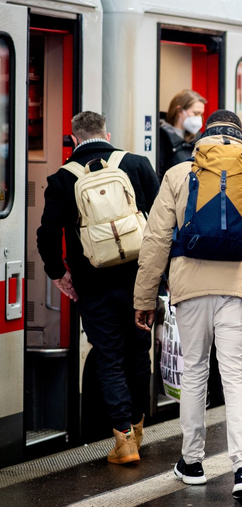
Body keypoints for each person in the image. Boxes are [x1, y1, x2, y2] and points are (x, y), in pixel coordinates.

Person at [133, 110, 242, 501]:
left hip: (189, 288)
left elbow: (155, 241)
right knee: (235, 376)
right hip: (236, 291)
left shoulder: (177, 176)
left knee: (195, 372)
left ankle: (192, 462)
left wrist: (145, 298)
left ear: (204, 137)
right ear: (241, 139)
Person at [37, 111, 159, 465]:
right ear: (107, 134)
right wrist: (159, 274)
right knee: (139, 353)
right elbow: (163, 222)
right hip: (139, 281)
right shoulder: (136, 165)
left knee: (109, 357)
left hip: (92, 286)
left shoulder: (62, 178)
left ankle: (124, 441)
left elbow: (47, 236)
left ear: (74, 139)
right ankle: (139, 428)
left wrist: (59, 275)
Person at [158, 89, 207, 180]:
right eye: (196, 113)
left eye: (201, 114)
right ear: (179, 111)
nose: (199, 118)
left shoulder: (198, 138)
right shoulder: (162, 137)